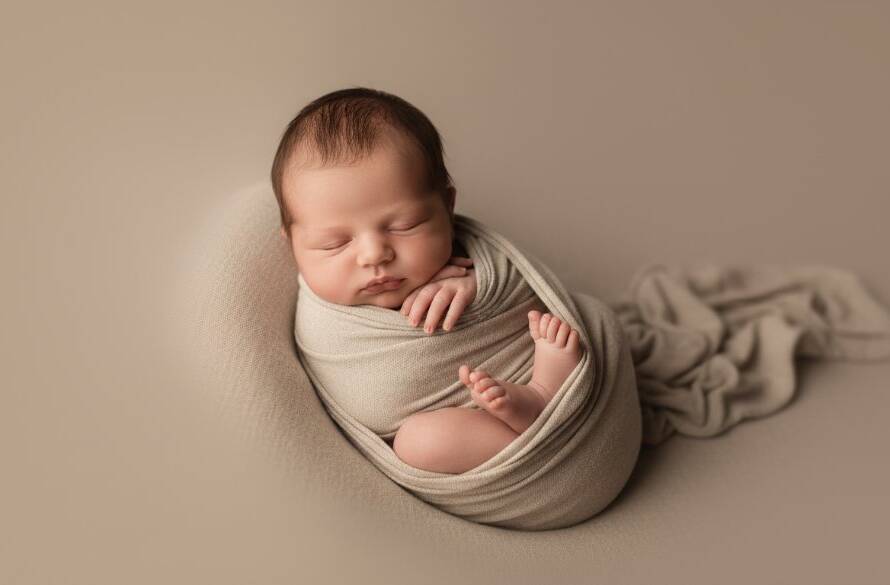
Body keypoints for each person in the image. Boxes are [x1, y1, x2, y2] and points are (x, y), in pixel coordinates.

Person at [270, 87, 582, 474]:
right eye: (333, 243)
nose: (374, 255)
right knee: (421, 442)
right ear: (294, 244)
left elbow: (524, 288)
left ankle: (548, 394)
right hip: (475, 438)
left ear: (447, 208)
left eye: (405, 226)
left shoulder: (469, 260)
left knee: (572, 327)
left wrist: (476, 284)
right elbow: (369, 404)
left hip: (541, 379)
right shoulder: (325, 325)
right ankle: (539, 431)